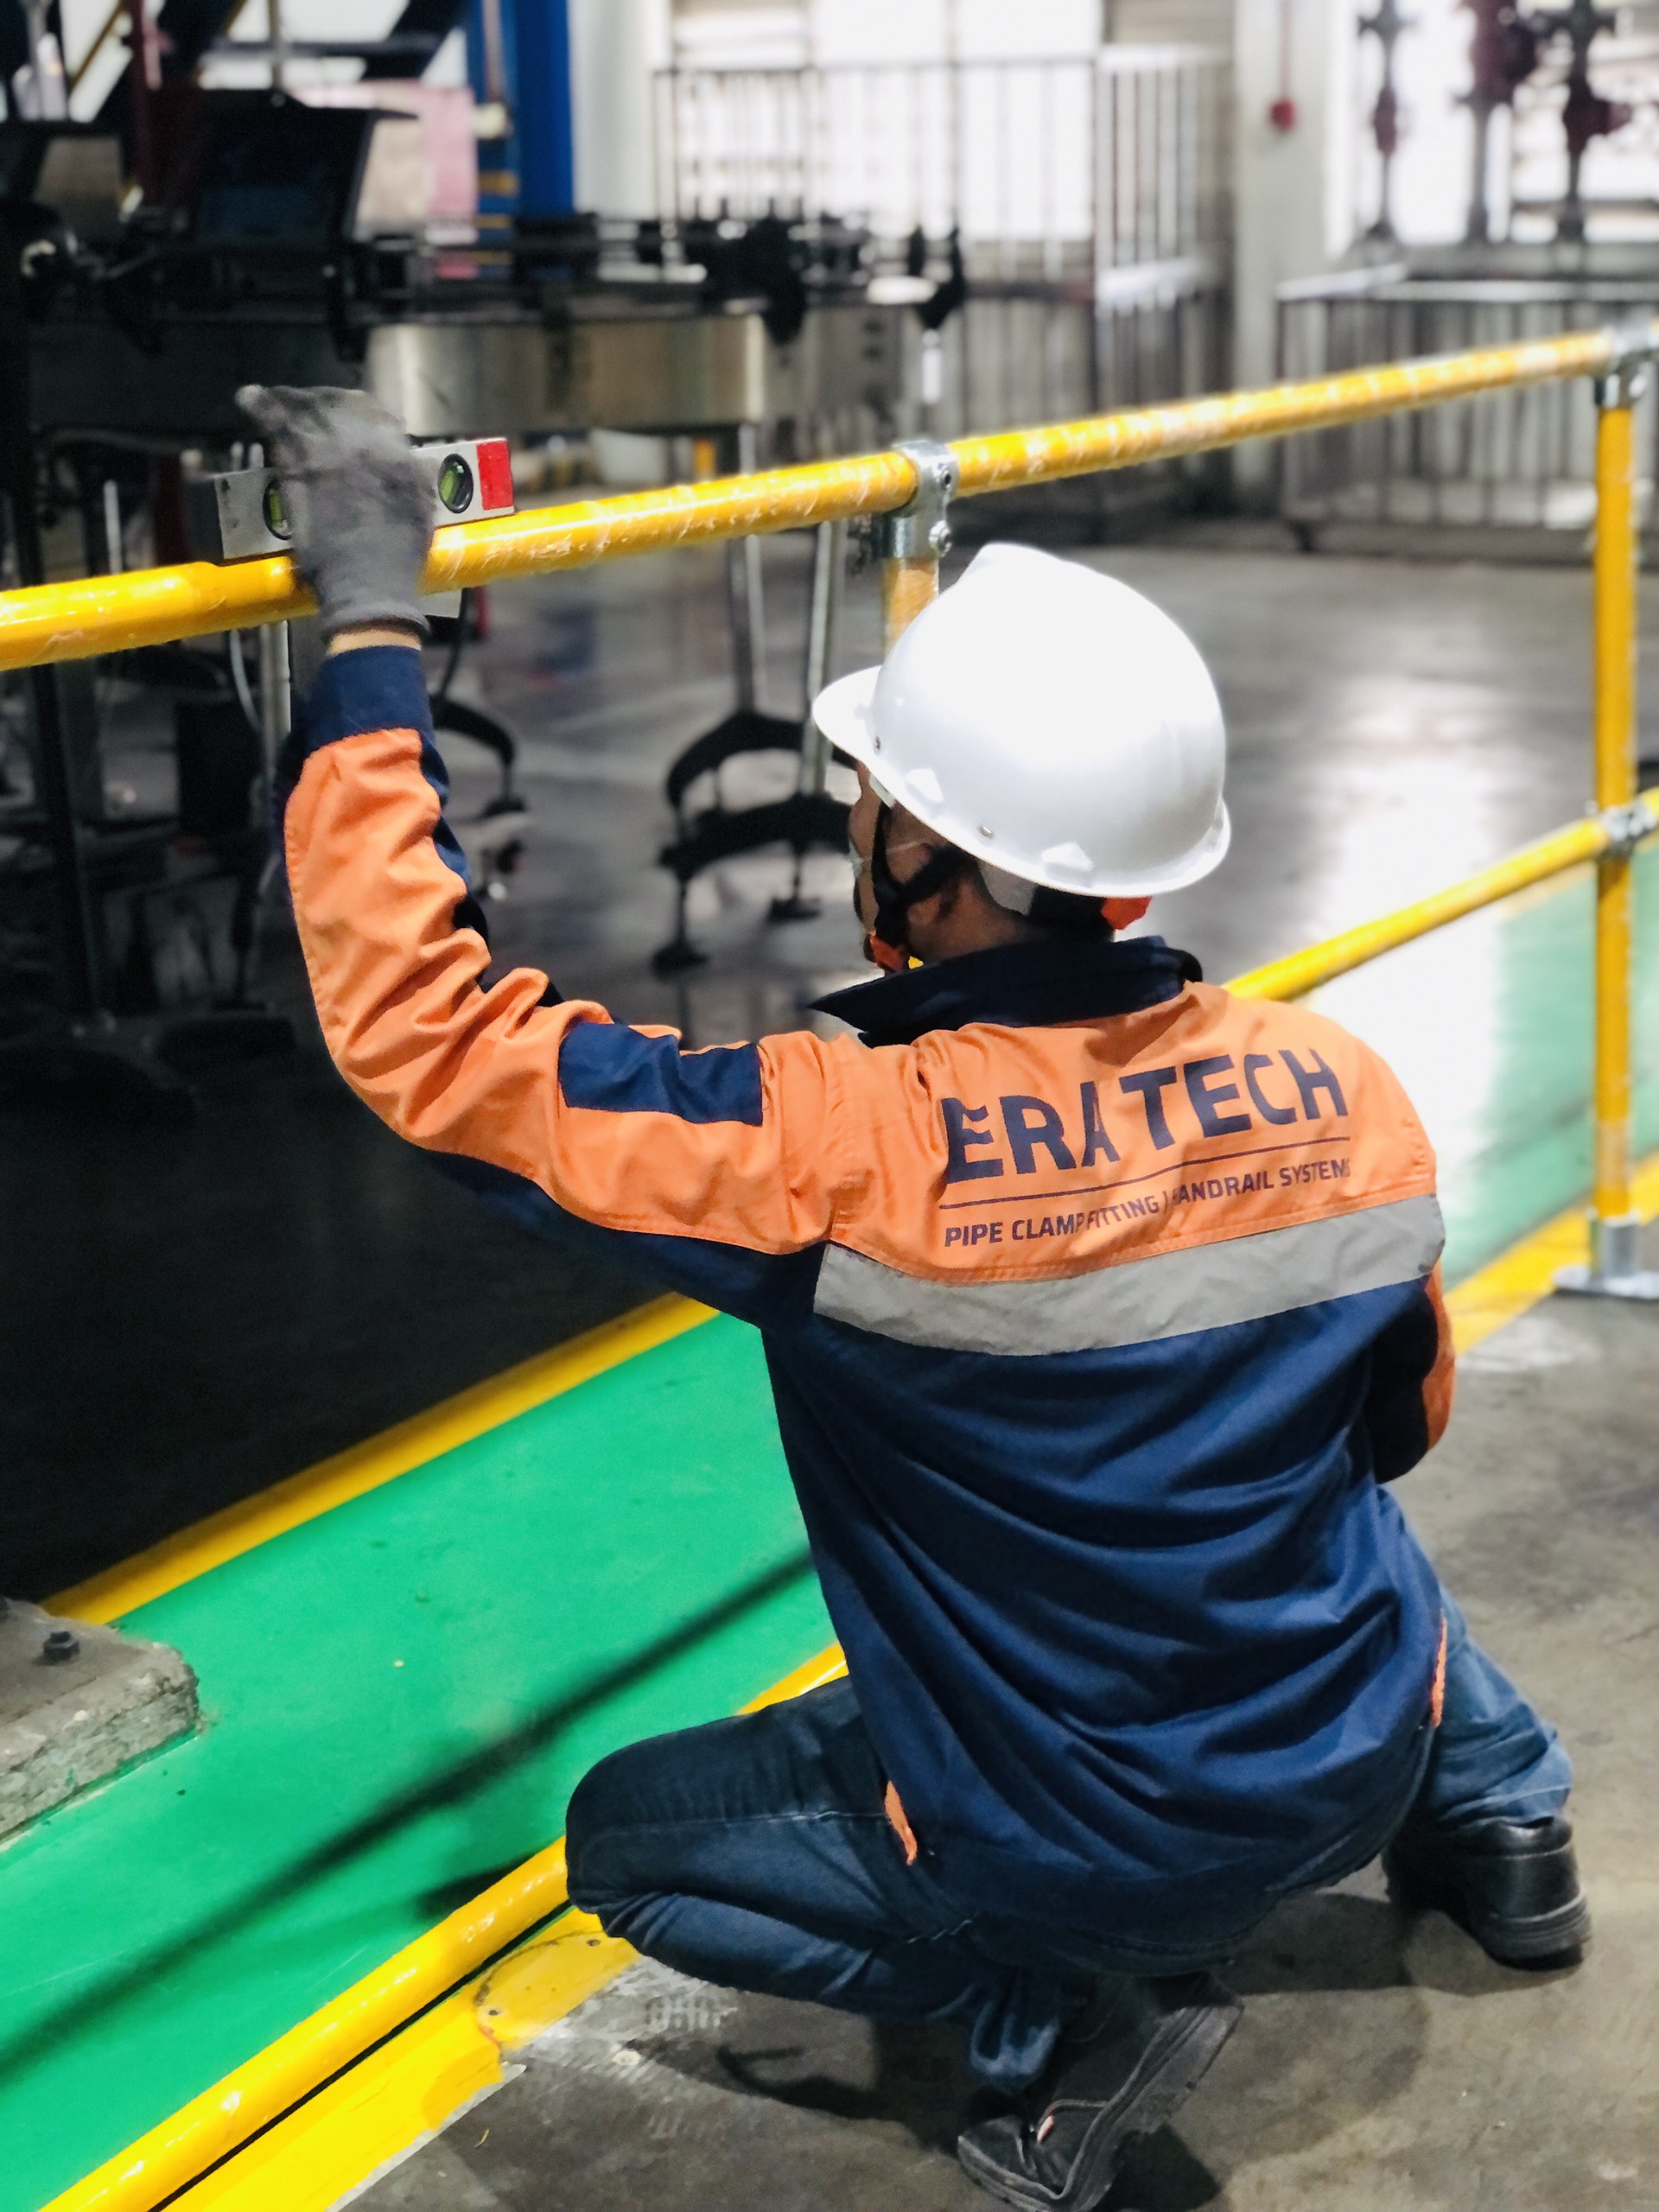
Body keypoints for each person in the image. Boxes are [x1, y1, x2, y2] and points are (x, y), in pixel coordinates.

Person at [245, 385, 1588, 2212]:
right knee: (1313, 1483)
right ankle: (1503, 1810)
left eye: (877, 794)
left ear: (937, 864)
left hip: (1089, 1851)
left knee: (630, 1842)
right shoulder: (1342, 1083)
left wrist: (369, 623)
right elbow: (1400, 1430)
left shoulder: (835, 1143)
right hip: (1360, 1756)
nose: (858, 812)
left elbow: (434, 1036)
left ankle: (1059, 2002)